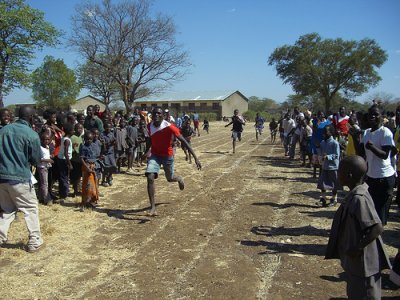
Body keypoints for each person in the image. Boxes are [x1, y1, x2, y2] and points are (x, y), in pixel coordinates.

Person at [325, 155, 391, 300]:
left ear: (348, 175)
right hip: (358, 264)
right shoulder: (356, 193)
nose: (337, 174)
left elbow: (377, 228)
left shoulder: (359, 198)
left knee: (364, 294)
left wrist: (357, 247)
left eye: (339, 171)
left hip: (364, 264)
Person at [0, 106, 43, 252]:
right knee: (30, 208)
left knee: (7, 210)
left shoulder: (3, 131)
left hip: (2, 178)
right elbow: (36, 158)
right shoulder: (31, 134)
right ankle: (34, 241)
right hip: (19, 178)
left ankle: (0, 236)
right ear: (31, 118)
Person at [144, 107, 201, 216]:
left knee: (170, 178)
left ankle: (179, 179)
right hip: (155, 155)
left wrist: (195, 158)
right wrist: (146, 151)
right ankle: (152, 208)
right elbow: (150, 140)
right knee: (150, 177)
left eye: (159, 114)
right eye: (154, 113)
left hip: (167, 156)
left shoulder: (169, 127)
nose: (156, 115)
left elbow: (184, 141)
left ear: (163, 116)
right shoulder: (149, 126)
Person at [352, 105, 396, 225]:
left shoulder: (385, 132)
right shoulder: (366, 133)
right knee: (371, 210)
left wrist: (371, 147)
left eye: (376, 114)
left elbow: (385, 155)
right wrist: (355, 139)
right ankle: (373, 238)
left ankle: (377, 239)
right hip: (371, 177)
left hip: (384, 178)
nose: (372, 116)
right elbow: (361, 154)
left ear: (382, 116)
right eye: (371, 114)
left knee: (381, 213)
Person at [316, 125, 341, 207]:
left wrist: (328, 156)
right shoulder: (322, 142)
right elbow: (320, 153)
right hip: (325, 166)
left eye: (326, 132)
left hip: (333, 167)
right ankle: (323, 198)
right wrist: (318, 147)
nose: (324, 133)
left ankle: (334, 198)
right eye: (323, 132)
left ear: (331, 132)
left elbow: (337, 155)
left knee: (334, 184)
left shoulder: (335, 143)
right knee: (322, 182)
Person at [79, 131, 99, 211]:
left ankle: (92, 200)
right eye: (87, 139)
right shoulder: (83, 147)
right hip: (87, 167)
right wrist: (87, 167)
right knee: (88, 185)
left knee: (94, 184)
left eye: (90, 139)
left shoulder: (94, 145)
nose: (89, 141)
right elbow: (81, 158)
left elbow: (95, 156)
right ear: (84, 139)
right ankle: (86, 202)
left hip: (93, 166)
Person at [57, 123, 74, 203]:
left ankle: (62, 194)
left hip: (61, 159)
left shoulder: (63, 138)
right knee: (65, 178)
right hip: (64, 160)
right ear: (69, 131)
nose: (74, 131)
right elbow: (66, 153)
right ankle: (65, 195)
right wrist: (69, 163)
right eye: (73, 130)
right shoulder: (67, 140)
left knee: (62, 177)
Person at [37, 132, 54, 205]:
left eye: (48, 139)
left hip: (46, 167)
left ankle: (41, 197)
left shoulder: (47, 147)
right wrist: (48, 160)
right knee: (45, 184)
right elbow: (38, 159)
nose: (47, 141)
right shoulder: (40, 148)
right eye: (45, 139)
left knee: (43, 183)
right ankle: (47, 199)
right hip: (42, 167)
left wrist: (50, 157)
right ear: (41, 140)